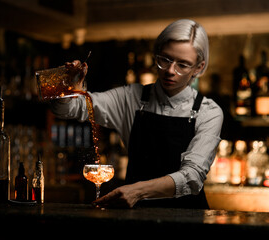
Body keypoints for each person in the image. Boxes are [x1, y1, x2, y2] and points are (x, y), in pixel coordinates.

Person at [51, 19, 223, 209]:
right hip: (137, 217)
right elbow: (67, 109)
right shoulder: (130, 97)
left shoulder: (208, 111)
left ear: (198, 68)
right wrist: (67, 85)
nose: (170, 71)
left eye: (183, 65)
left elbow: (192, 178)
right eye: (165, 59)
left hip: (189, 219)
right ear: (156, 54)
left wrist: (138, 191)